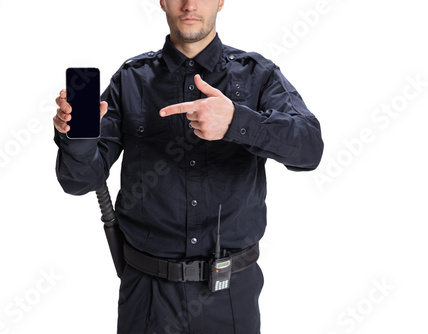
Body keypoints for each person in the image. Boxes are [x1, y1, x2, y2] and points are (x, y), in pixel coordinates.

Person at [53, 0, 324, 333]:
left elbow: (310, 149)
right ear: (163, 1)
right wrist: (76, 136)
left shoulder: (257, 75)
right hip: (147, 297)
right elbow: (80, 181)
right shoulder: (130, 80)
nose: (190, 4)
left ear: (221, 1)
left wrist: (237, 122)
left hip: (230, 295)